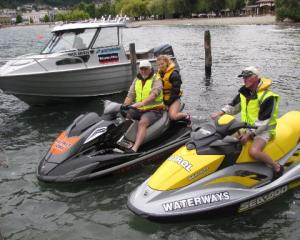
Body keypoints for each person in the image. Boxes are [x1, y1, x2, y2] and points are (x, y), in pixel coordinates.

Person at [210, 66, 284, 180]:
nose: (244, 80)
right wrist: (220, 113)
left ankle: (276, 166)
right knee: (225, 141)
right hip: (246, 127)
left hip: (264, 130)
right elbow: (233, 106)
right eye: (243, 77)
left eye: (247, 77)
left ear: (255, 78)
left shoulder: (268, 97)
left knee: (254, 151)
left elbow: (264, 122)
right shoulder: (244, 93)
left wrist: (249, 135)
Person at [123, 60, 165, 152]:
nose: (143, 71)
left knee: (143, 123)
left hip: (154, 109)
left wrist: (142, 103)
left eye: (146, 69)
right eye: (141, 69)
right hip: (139, 108)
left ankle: (135, 147)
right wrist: (124, 105)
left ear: (150, 69)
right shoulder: (137, 79)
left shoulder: (156, 79)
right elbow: (130, 95)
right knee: (126, 116)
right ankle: (124, 140)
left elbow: (154, 94)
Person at [156, 55, 190, 124]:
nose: (161, 66)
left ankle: (186, 116)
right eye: (159, 64)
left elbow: (176, 91)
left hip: (173, 98)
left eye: (162, 64)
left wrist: (168, 103)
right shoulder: (158, 74)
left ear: (167, 62)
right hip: (162, 99)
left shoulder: (174, 74)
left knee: (172, 116)